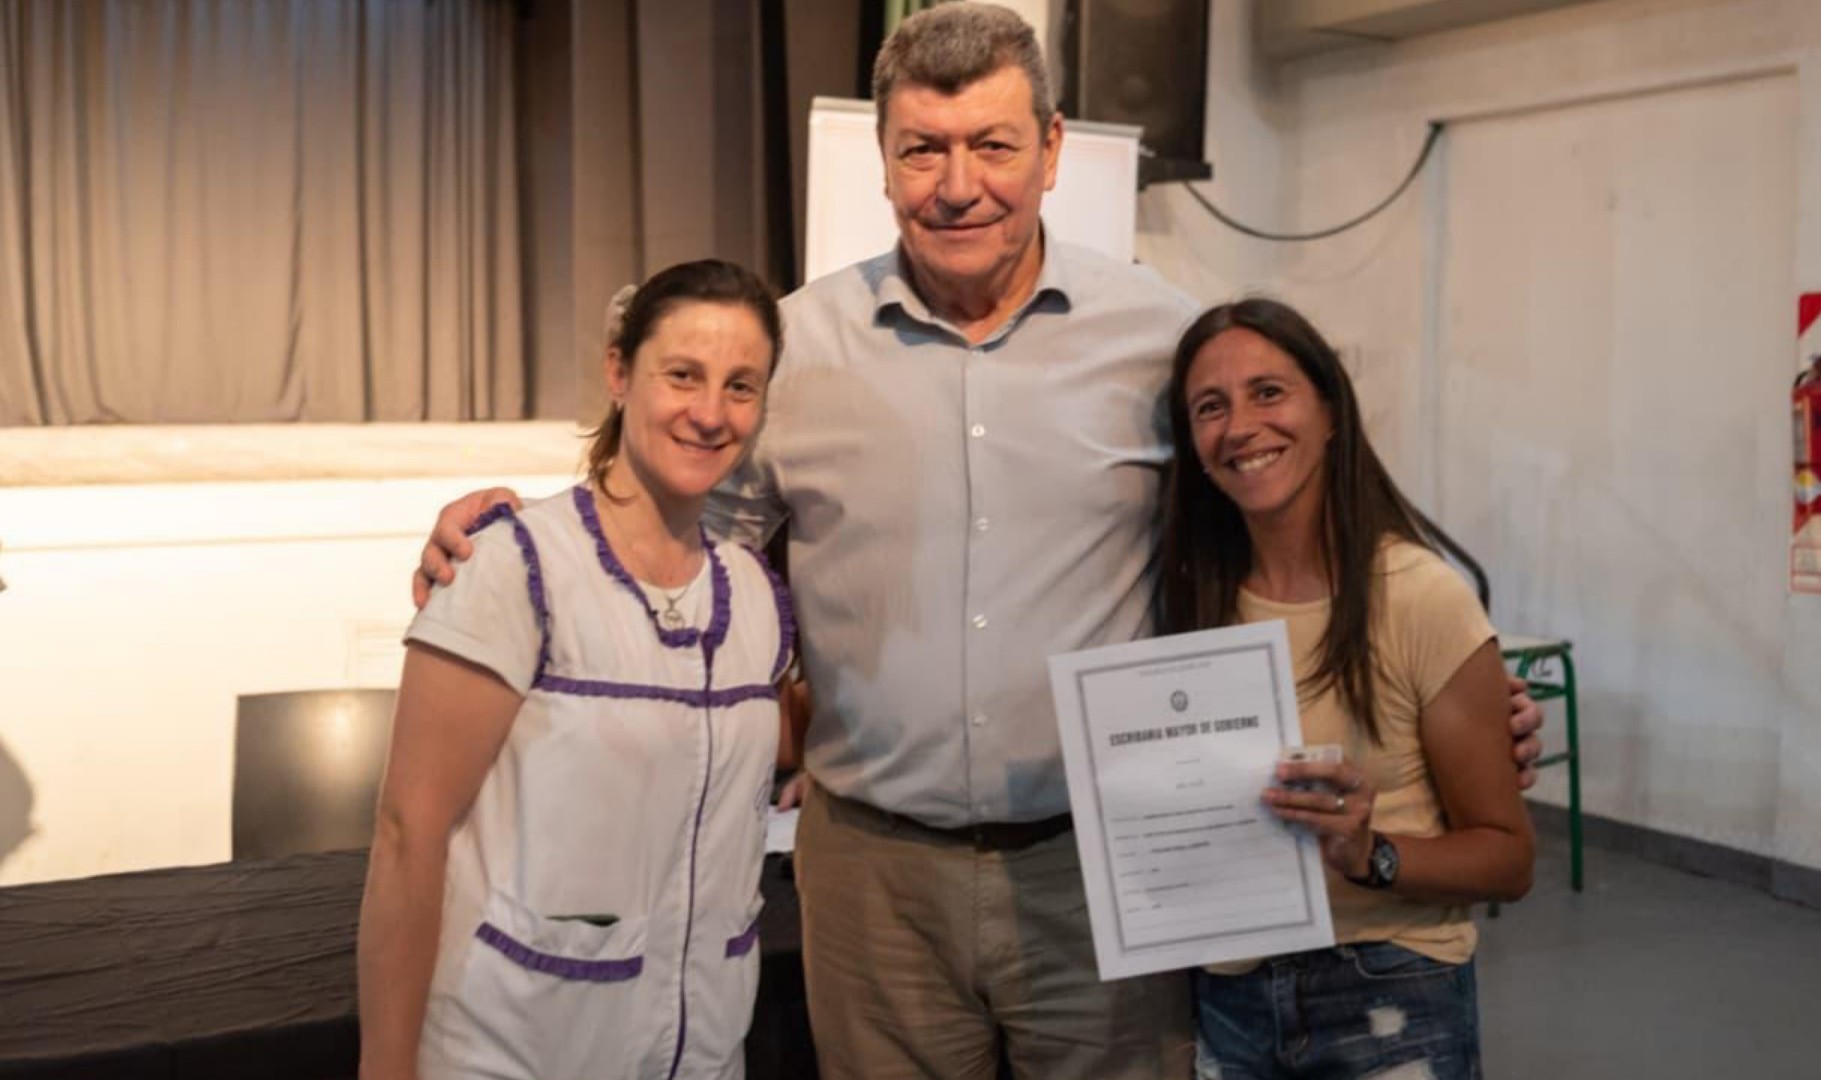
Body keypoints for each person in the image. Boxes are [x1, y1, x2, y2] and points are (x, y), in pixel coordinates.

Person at [411, 6, 1544, 1078]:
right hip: (873, 879)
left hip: (1106, 868)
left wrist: (1443, 694)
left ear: (1051, 150)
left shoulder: (1159, 339)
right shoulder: (797, 350)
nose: (959, 187)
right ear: (884, 162)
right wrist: (523, 541)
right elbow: (672, 531)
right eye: (923, 150)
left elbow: (1268, 533)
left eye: (993, 146)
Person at [358, 261, 795, 1080]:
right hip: (515, 1054)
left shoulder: (752, 596)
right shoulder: (510, 565)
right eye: (682, 375)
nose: (710, 413)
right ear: (618, 372)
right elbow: (408, 834)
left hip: (700, 1058)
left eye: (741, 386)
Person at [1157, 298, 1534, 1080]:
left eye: (1269, 392)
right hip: (1231, 993)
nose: (1240, 426)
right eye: (1210, 407)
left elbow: (1507, 859)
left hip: (1388, 985)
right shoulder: (1188, 605)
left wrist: (1370, 853)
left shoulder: (1420, 595)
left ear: (1330, 411)